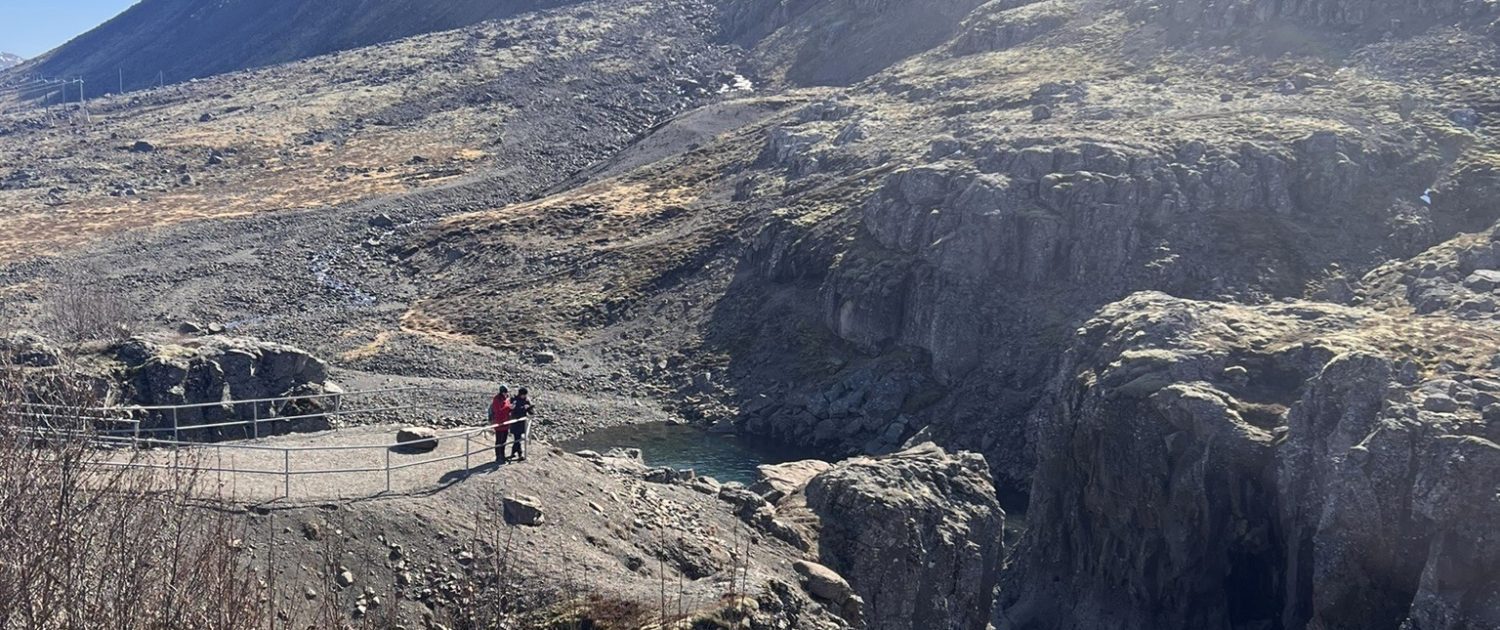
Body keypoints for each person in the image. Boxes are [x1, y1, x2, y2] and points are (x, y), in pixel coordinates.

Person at [508, 387, 534, 461]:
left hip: (522, 422)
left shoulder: (526, 400)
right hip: (515, 421)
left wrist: (530, 408)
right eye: (524, 395)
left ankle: (513, 453)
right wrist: (524, 408)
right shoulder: (514, 399)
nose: (525, 396)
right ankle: (520, 454)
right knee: (517, 438)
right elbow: (515, 410)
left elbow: (530, 411)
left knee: (518, 438)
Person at [489, 385, 512, 464]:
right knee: (499, 440)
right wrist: (509, 408)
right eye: (505, 392)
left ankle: (502, 455)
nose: (506, 394)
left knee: (504, 441)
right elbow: (499, 411)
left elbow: (506, 408)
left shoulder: (507, 398)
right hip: (499, 423)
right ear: (502, 392)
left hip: (505, 422)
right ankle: (498, 456)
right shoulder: (497, 400)